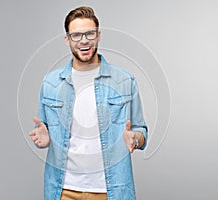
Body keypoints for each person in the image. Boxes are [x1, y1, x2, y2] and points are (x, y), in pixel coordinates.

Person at [29, 6, 148, 200]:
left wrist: (135, 139)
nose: (84, 41)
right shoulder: (50, 83)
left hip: (110, 191)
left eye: (89, 34)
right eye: (76, 35)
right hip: (63, 190)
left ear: (98, 35)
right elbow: (43, 129)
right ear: (67, 39)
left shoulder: (125, 81)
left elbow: (141, 130)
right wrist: (46, 138)